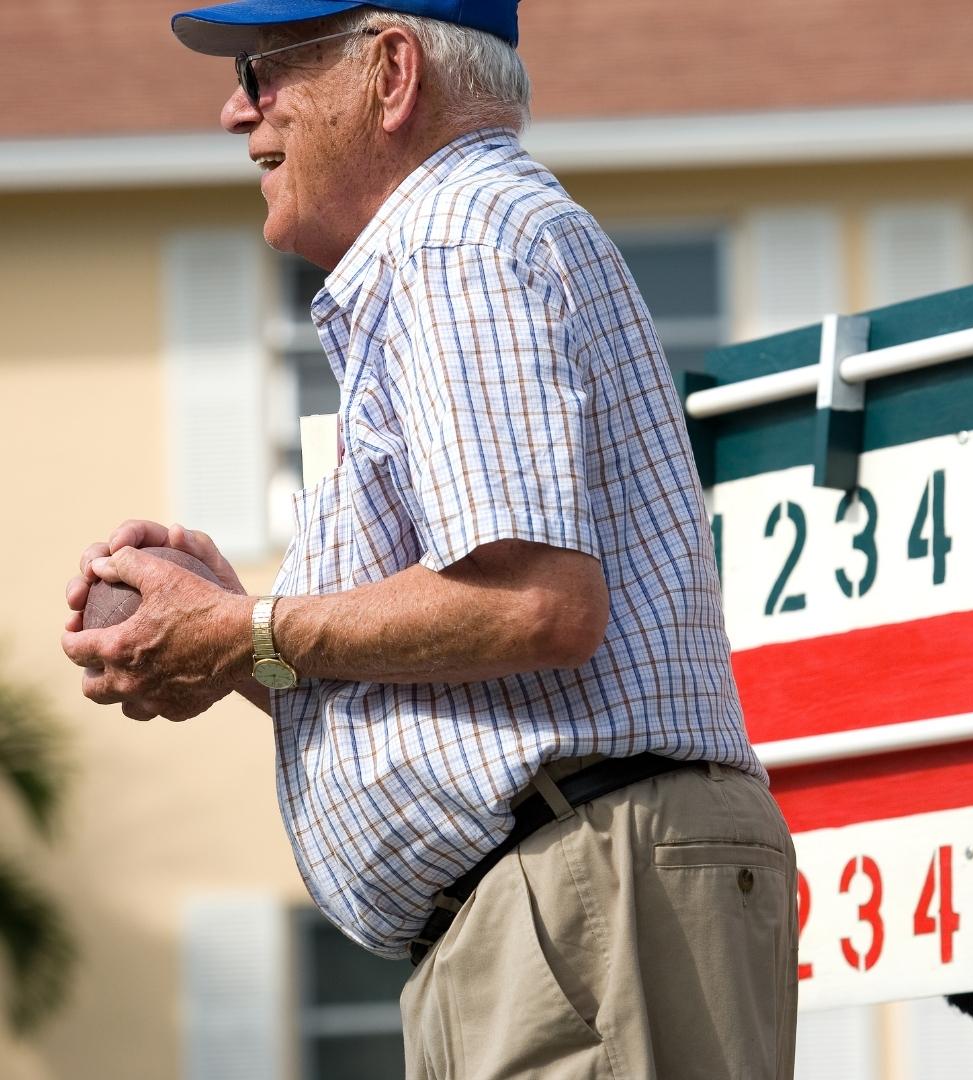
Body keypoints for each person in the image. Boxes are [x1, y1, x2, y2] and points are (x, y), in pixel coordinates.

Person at [63, 2, 798, 1075]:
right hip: (561, 901)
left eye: (266, 70)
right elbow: (488, 667)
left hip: (575, 900)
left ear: (392, 73)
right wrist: (234, 644)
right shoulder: (464, 242)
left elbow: (534, 604)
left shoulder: (452, 238)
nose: (237, 110)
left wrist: (244, 630)